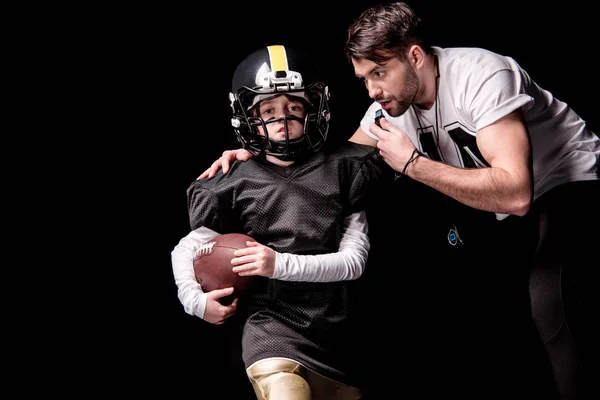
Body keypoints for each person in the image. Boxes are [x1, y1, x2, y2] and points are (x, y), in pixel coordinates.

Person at [197, 3, 599, 399]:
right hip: (492, 210)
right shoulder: (387, 107)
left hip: (564, 187)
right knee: (469, 313)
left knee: (551, 306)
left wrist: (412, 163)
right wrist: (255, 159)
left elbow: (516, 192)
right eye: (364, 78)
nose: (373, 90)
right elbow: (327, 172)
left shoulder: (480, 75)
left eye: (380, 72)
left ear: (415, 56)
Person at [171, 44, 393, 399]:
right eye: (268, 109)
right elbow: (188, 247)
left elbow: (353, 263)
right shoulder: (231, 177)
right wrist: (195, 302)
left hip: (341, 333)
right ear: (247, 115)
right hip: (272, 325)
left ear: (314, 109)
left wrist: (276, 264)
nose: (282, 118)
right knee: (284, 389)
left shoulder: (347, 167)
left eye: (293, 106)